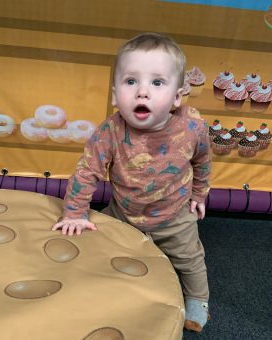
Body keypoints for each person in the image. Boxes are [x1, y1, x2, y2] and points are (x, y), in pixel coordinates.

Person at [52, 32, 212, 333]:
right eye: (130, 82)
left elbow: (202, 161)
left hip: (175, 215)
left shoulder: (192, 127)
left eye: (157, 82)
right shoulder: (110, 131)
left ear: (177, 97)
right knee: (98, 251)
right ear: (114, 95)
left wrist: (200, 194)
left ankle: (198, 299)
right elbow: (87, 171)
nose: (142, 92)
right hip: (123, 213)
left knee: (190, 259)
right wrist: (74, 212)